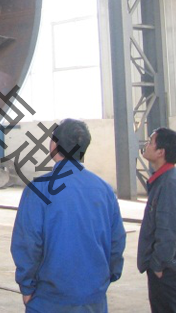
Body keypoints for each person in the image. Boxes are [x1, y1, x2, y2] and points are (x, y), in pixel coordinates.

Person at [11, 119, 126, 312]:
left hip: (49, 299)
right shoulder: (104, 190)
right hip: (93, 298)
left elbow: (28, 243)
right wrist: (108, 277)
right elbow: (117, 241)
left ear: (54, 145)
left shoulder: (38, 190)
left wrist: (27, 286)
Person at [137, 128, 176, 313]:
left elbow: (169, 231)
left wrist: (158, 265)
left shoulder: (170, 184)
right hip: (165, 268)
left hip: (166, 270)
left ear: (161, 152)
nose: (146, 145)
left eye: (151, 142)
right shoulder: (164, 180)